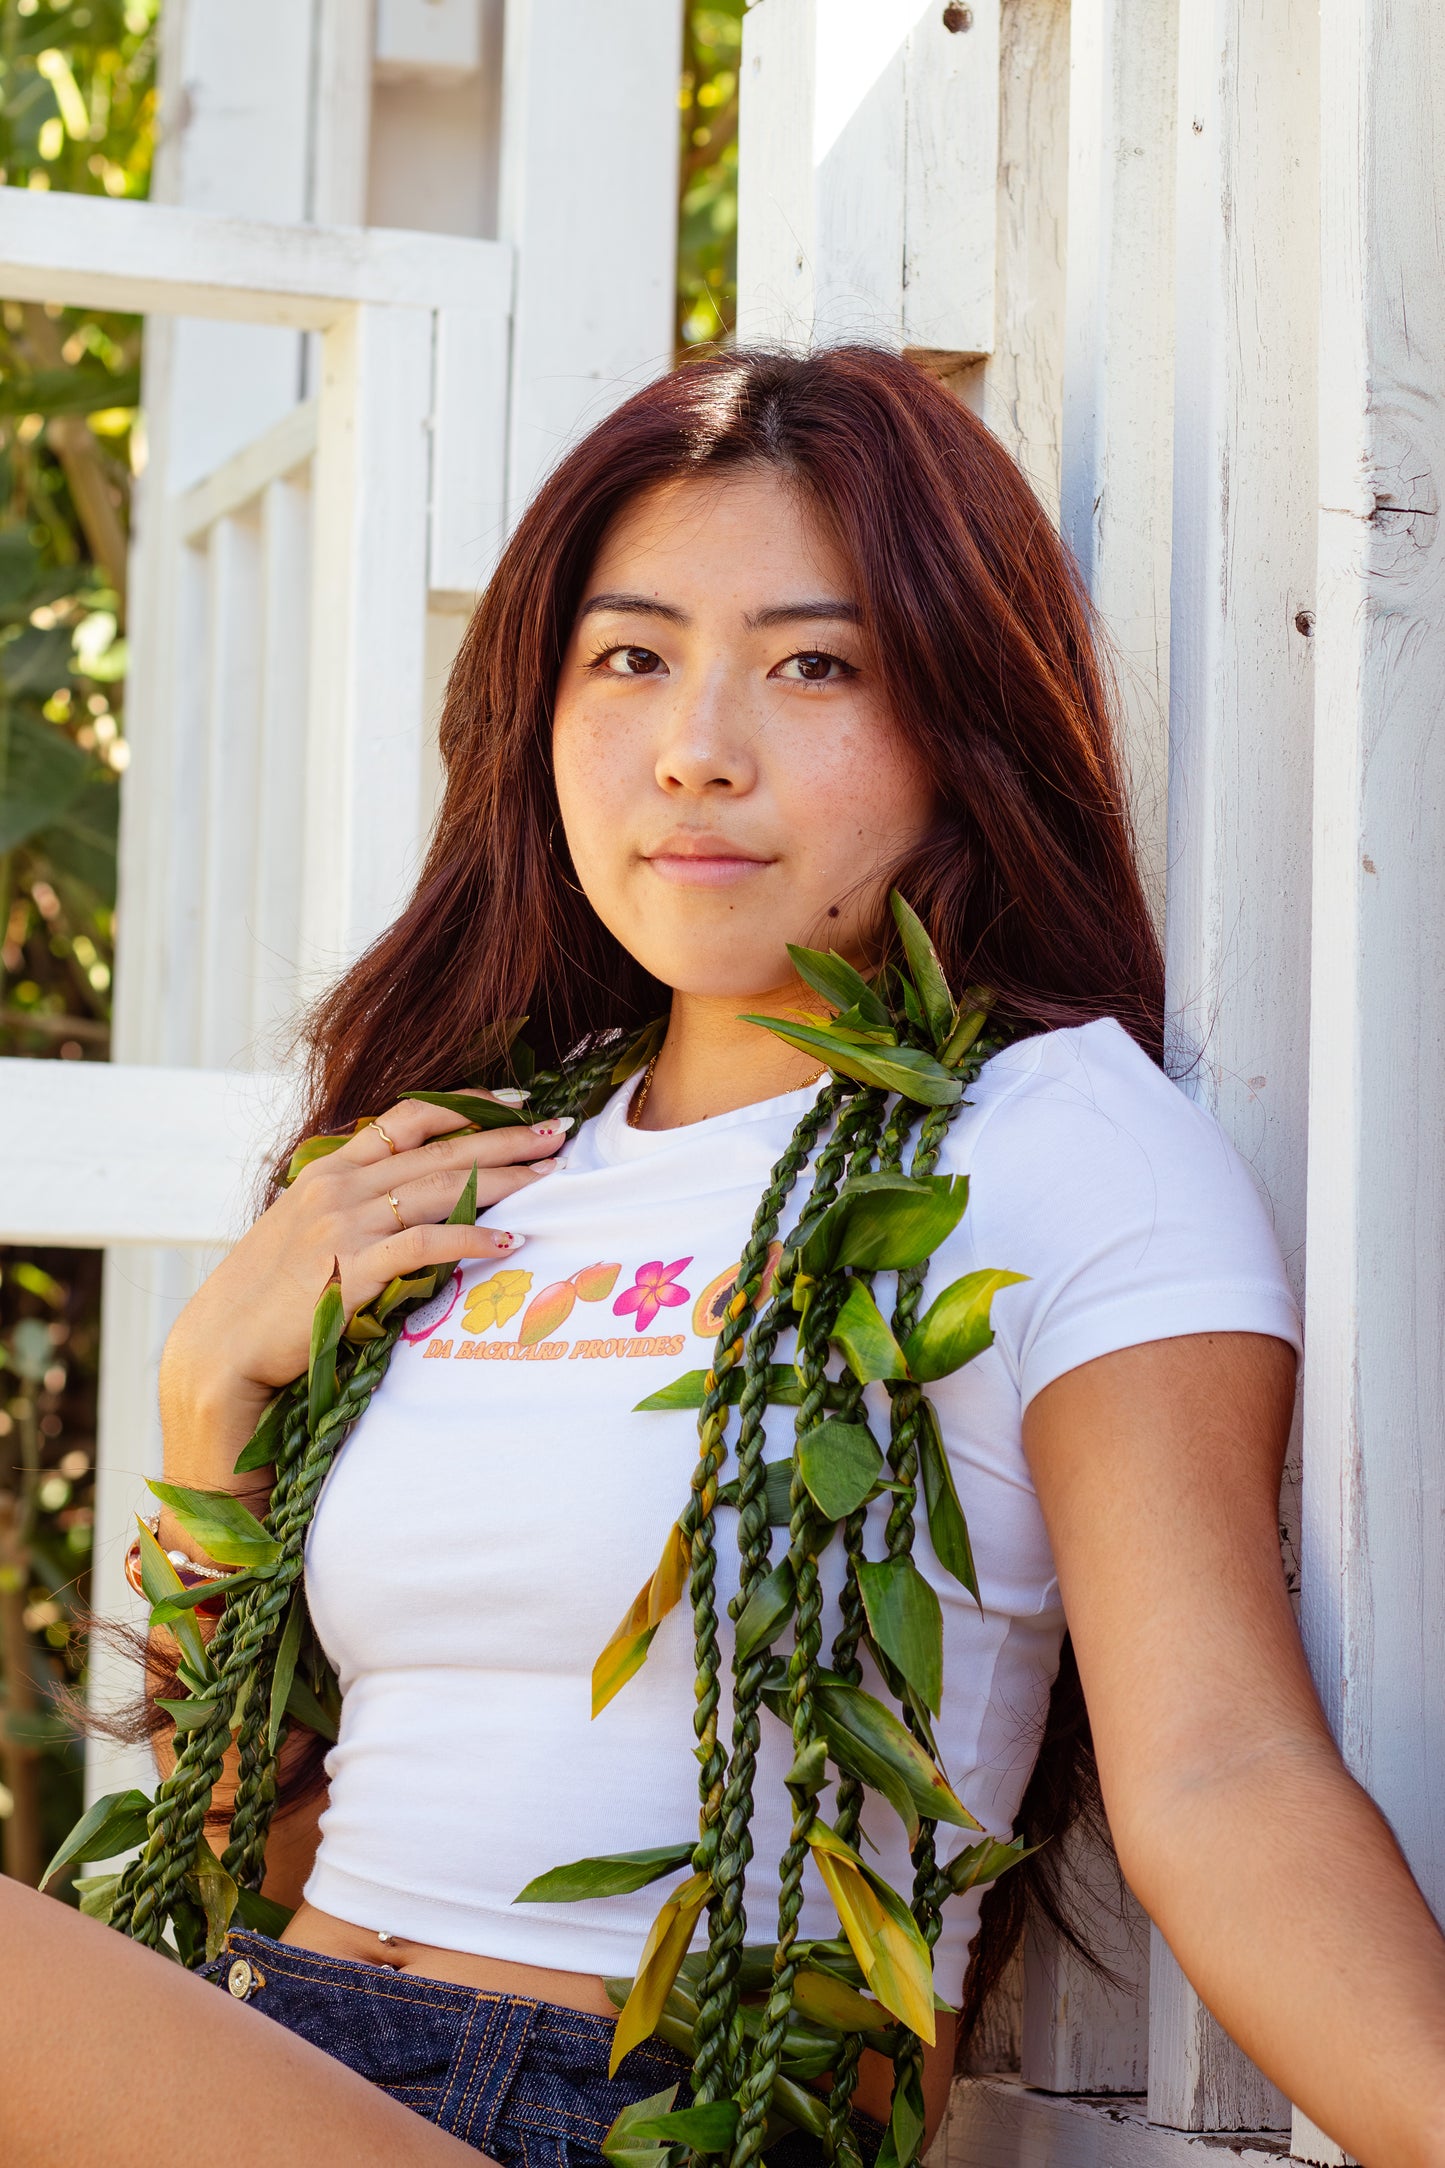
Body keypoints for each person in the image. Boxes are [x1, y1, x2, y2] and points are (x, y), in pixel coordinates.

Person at [9, 348, 1445, 2168]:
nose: (697, 742)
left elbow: (1218, 1770)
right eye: (630, 657)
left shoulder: (1048, 1145)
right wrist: (208, 1400)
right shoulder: (475, 1164)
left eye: (811, 663)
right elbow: (272, 1850)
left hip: (644, 2112)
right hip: (293, 2045)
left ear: (960, 719)